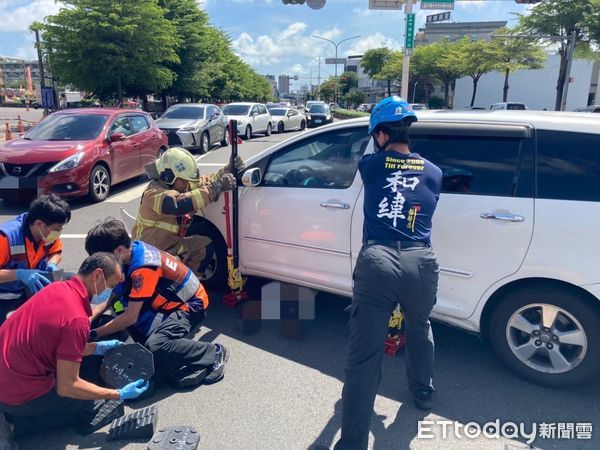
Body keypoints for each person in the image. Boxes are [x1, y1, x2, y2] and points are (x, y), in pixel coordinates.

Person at [334, 96, 443, 450]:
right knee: (419, 326)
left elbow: (374, 159)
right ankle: (423, 393)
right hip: (420, 262)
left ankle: (352, 443)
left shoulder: (371, 165)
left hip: (378, 260)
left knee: (364, 355)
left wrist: (377, 138)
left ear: (379, 135)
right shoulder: (433, 172)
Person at [0, 253, 149, 448]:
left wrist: (97, 348)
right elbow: (67, 386)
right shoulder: (77, 319)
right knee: (87, 407)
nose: (109, 291)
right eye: (111, 285)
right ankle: (13, 424)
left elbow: (52, 345)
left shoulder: (56, 288)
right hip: (15, 395)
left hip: (7, 372)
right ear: (97, 276)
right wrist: (117, 394)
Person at [85, 219, 229, 389]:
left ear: (119, 250)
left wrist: (95, 333)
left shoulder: (143, 268)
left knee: (156, 345)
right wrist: (89, 319)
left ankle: (214, 353)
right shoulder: (127, 255)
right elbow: (114, 297)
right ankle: (168, 349)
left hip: (190, 306)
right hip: (167, 303)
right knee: (122, 314)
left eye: (102, 259)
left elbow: (130, 317)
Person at [132, 146, 243, 276]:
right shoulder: (153, 194)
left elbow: (202, 182)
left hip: (172, 246)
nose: (186, 184)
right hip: (149, 253)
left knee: (204, 246)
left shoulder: (179, 185)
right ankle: (173, 285)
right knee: (154, 285)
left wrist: (226, 170)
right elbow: (177, 204)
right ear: (169, 176)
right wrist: (215, 189)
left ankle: (187, 284)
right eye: (183, 180)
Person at [0, 194, 71, 324]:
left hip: (33, 286)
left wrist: (52, 264)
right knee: (11, 330)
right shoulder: (6, 237)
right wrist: (20, 274)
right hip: (6, 295)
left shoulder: (47, 234)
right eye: (57, 229)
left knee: (73, 282)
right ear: (39, 224)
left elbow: (56, 252)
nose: (59, 232)